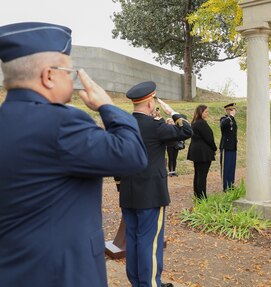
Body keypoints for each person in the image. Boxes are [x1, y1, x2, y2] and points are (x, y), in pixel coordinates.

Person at [0, 22, 148, 287]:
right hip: (62, 275)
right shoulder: (61, 124)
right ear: (48, 76)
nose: (72, 80)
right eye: (68, 72)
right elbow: (132, 155)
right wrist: (107, 105)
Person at [118, 81, 192, 287]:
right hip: (151, 194)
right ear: (151, 103)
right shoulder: (156, 126)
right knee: (149, 242)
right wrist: (174, 113)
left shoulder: (123, 125)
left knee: (132, 240)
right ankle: (150, 283)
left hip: (128, 193)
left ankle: (137, 282)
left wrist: (119, 185)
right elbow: (187, 130)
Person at [187, 105, 217, 199]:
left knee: (198, 174)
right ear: (201, 112)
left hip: (196, 152)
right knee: (202, 175)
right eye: (206, 112)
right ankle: (202, 197)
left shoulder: (194, 122)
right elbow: (209, 138)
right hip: (203, 152)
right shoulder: (201, 123)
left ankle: (197, 194)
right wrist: (214, 148)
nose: (207, 113)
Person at [219, 103, 238, 191]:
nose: (233, 111)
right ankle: (226, 186)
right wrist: (231, 116)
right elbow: (223, 124)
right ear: (227, 110)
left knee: (232, 166)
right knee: (227, 166)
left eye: (234, 110)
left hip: (233, 146)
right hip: (226, 146)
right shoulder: (224, 119)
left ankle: (231, 184)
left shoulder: (233, 120)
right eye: (231, 110)